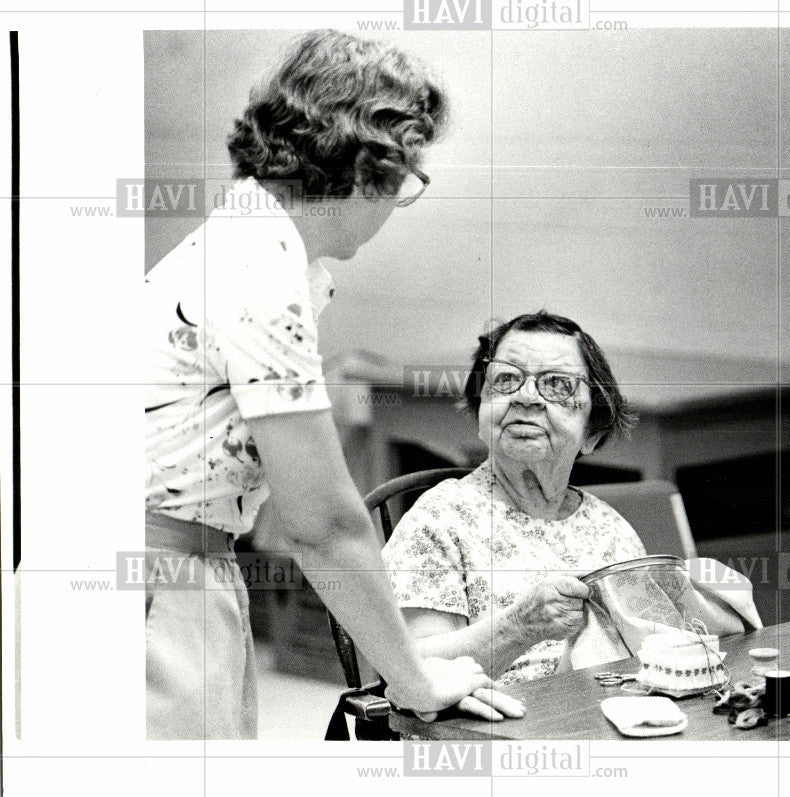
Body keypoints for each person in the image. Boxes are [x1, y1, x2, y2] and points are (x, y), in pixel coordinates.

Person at [144, 29, 520, 739]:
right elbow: (322, 522)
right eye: (407, 174)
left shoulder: (251, 242)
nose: (401, 197)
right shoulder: (259, 266)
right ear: (369, 165)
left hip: (179, 575)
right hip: (160, 589)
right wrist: (414, 680)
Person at [382, 312, 647, 685]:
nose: (526, 397)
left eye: (557, 385)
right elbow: (412, 670)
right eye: (506, 379)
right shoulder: (439, 519)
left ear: (593, 431)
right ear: (480, 411)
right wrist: (520, 626)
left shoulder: (610, 529)